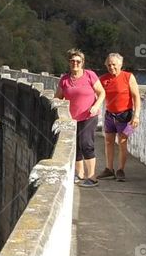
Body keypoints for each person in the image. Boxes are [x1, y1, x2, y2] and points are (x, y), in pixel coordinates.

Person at [55, 49, 104, 187]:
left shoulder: (90, 75)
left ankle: (92, 177)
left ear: (82, 63)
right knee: (76, 146)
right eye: (72, 61)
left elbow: (102, 93)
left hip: (89, 115)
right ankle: (80, 174)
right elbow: (58, 97)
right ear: (69, 62)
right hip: (72, 118)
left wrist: (96, 106)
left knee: (86, 144)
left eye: (78, 61)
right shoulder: (65, 79)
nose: (75, 63)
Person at [96, 52, 141, 181]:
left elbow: (136, 97)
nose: (111, 67)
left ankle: (121, 170)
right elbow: (95, 94)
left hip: (126, 115)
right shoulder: (103, 79)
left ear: (120, 64)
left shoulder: (128, 77)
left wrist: (136, 116)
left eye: (114, 64)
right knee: (108, 141)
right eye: (109, 65)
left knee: (122, 142)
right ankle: (109, 169)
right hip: (109, 115)